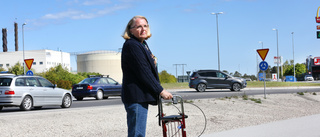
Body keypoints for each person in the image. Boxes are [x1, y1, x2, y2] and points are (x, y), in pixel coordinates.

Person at [121, 15, 173, 137]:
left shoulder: (142, 44)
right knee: (137, 134)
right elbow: (143, 72)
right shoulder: (132, 45)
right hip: (136, 97)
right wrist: (161, 90)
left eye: (145, 26)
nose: (143, 29)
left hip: (140, 97)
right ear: (131, 30)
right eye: (138, 26)